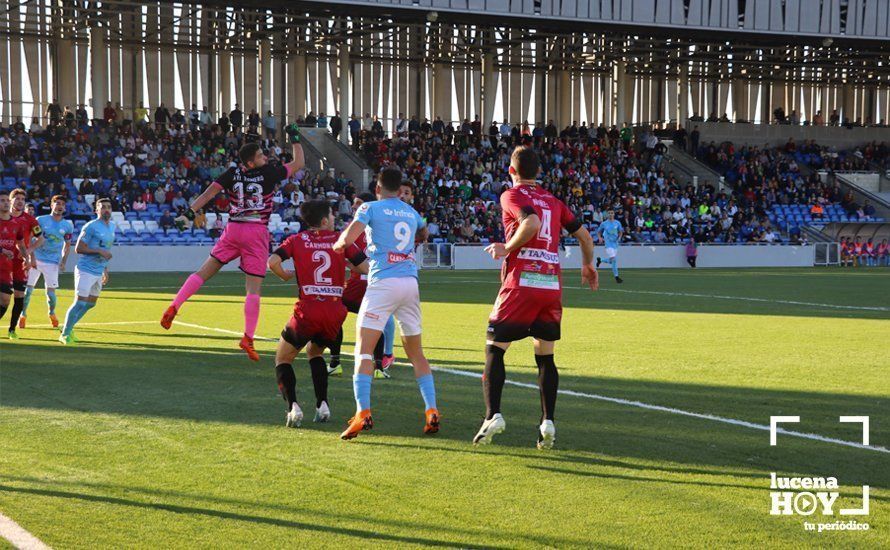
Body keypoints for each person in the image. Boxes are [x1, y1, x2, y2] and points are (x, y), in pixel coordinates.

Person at [473, 146, 597, 450]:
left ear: (511, 172)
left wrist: (506, 247)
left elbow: (531, 224)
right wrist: (588, 265)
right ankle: (547, 422)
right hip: (550, 285)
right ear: (538, 172)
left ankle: (493, 415)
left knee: (495, 349)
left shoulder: (510, 195)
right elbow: (585, 237)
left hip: (522, 283)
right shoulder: (554, 201)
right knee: (545, 356)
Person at [160, 133, 305, 361]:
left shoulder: (232, 173)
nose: (265, 157)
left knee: (204, 271)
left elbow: (209, 193)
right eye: (260, 155)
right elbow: (298, 164)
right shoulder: (269, 173)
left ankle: (174, 305)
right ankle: (248, 337)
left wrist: (189, 212)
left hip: (233, 229)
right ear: (250, 162)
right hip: (256, 231)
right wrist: (295, 139)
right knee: (253, 289)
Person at [333, 167, 439, 440]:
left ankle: (363, 412)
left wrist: (338, 245)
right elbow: (423, 232)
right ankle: (431, 410)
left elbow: (348, 238)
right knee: (416, 353)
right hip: (410, 284)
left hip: (382, 284)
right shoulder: (410, 211)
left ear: (378, 188)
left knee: (364, 351)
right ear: (398, 187)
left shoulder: (370, 207)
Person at [267, 200, 369, 427]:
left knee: (283, 358)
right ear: (324, 221)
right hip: (334, 312)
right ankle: (322, 405)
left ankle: (293, 407)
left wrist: (284, 275)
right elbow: (365, 268)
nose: (334, 219)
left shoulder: (297, 239)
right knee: (315, 353)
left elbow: (272, 262)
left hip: (308, 310)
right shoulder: (340, 240)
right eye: (332, 216)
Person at [328, 192, 388, 377]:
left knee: (335, 319)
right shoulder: (384, 228)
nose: (354, 207)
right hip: (376, 285)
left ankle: (335, 362)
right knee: (376, 324)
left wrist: (347, 263)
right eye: (354, 204)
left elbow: (340, 251)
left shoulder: (353, 229)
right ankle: (378, 367)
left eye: (359, 204)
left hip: (356, 286)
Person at [59, 199, 115, 345]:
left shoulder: (112, 227)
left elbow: (106, 250)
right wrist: (98, 251)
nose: (106, 210)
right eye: (103, 207)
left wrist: (105, 269)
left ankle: (68, 327)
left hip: (98, 270)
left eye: (109, 207)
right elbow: (78, 248)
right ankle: (64, 334)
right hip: (86, 270)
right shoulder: (90, 226)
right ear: (97, 210)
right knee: (80, 303)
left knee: (90, 304)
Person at [20, 195, 73, 329]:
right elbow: (30, 239)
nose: (60, 206)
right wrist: (31, 257)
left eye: (62, 204)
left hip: (52, 263)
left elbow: (67, 246)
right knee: (28, 292)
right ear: (51, 205)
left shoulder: (67, 226)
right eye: (57, 203)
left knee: (51, 295)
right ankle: (23, 315)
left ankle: (52, 313)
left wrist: (63, 262)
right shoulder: (40, 220)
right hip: (36, 260)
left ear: (65, 207)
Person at [8, 189, 44, 338]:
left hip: (21, 263)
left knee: (19, 296)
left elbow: (41, 239)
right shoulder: (3, 217)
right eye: (17, 198)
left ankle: (12, 330)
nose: (20, 201)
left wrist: (28, 252)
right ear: (10, 201)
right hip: (3, 261)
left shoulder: (30, 220)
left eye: (23, 198)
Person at [0, 191, 29, 323]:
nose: (5, 203)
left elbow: (21, 244)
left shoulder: (16, 224)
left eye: (7, 200)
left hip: (5, 268)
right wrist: (3, 250)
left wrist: (27, 259)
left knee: (5, 300)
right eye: (2, 200)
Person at [596, 209, 624, 283]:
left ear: (614, 214)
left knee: (612, 261)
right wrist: (600, 238)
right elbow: (598, 232)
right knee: (614, 260)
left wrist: (620, 237)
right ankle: (617, 277)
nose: (611, 214)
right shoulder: (604, 223)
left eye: (612, 213)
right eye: (609, 213)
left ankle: (601, 260)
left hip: (615, 244)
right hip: (608, 244)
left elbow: (621, 231)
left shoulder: (617, 223)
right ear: (607, 214)